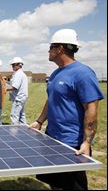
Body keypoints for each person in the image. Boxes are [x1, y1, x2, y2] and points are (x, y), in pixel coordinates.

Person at [30, 29, 104, 190]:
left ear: (60, 49)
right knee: (55, 181)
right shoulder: (56, 74)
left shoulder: (83, 73)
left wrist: (87, 142)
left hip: (71, 143)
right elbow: (51, 100)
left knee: (73, 185)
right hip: (52, 138)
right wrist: (39, 121)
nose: (48, 51)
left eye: (51, 47)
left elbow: (91, 109)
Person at [6, 57, 28, 125]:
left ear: (19, 65)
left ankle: (14, 132)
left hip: (18, 98)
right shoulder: (21, 73)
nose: (12, 66)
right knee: (21, 116)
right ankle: (24, 130)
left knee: (14, 116)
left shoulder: (18, 74)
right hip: (22, 98)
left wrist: (4, 89)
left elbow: (14, 87)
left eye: (13, 65)